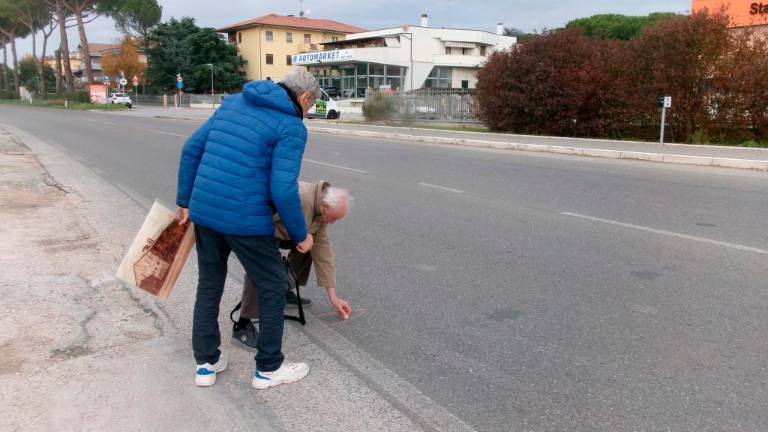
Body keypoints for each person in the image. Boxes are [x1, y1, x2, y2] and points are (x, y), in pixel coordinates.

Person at [175, 67, 320, 390]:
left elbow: (191, 149)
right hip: (246, 218)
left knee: (209, 284)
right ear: (305, 97)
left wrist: (184, 200)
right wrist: (301, 236)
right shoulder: (291, 126)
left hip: (205, 210)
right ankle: (269, 367)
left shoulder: (234, 102)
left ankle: (206, 363)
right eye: (311, 105)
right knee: (271, 287)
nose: (308, 111)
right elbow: (283, 188)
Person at [232, 181, 352, 350]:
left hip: (282, 232)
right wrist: (267, 262)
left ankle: (284, 290)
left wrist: (333, 297)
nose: (331, 222)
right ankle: (242, 325)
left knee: (311, 243)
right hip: (257, 230)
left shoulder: (320, 211)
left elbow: (323, 250)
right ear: (325, 206)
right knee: (261, 270)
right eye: (333, 218)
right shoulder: (301, 199)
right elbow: (259, 217)